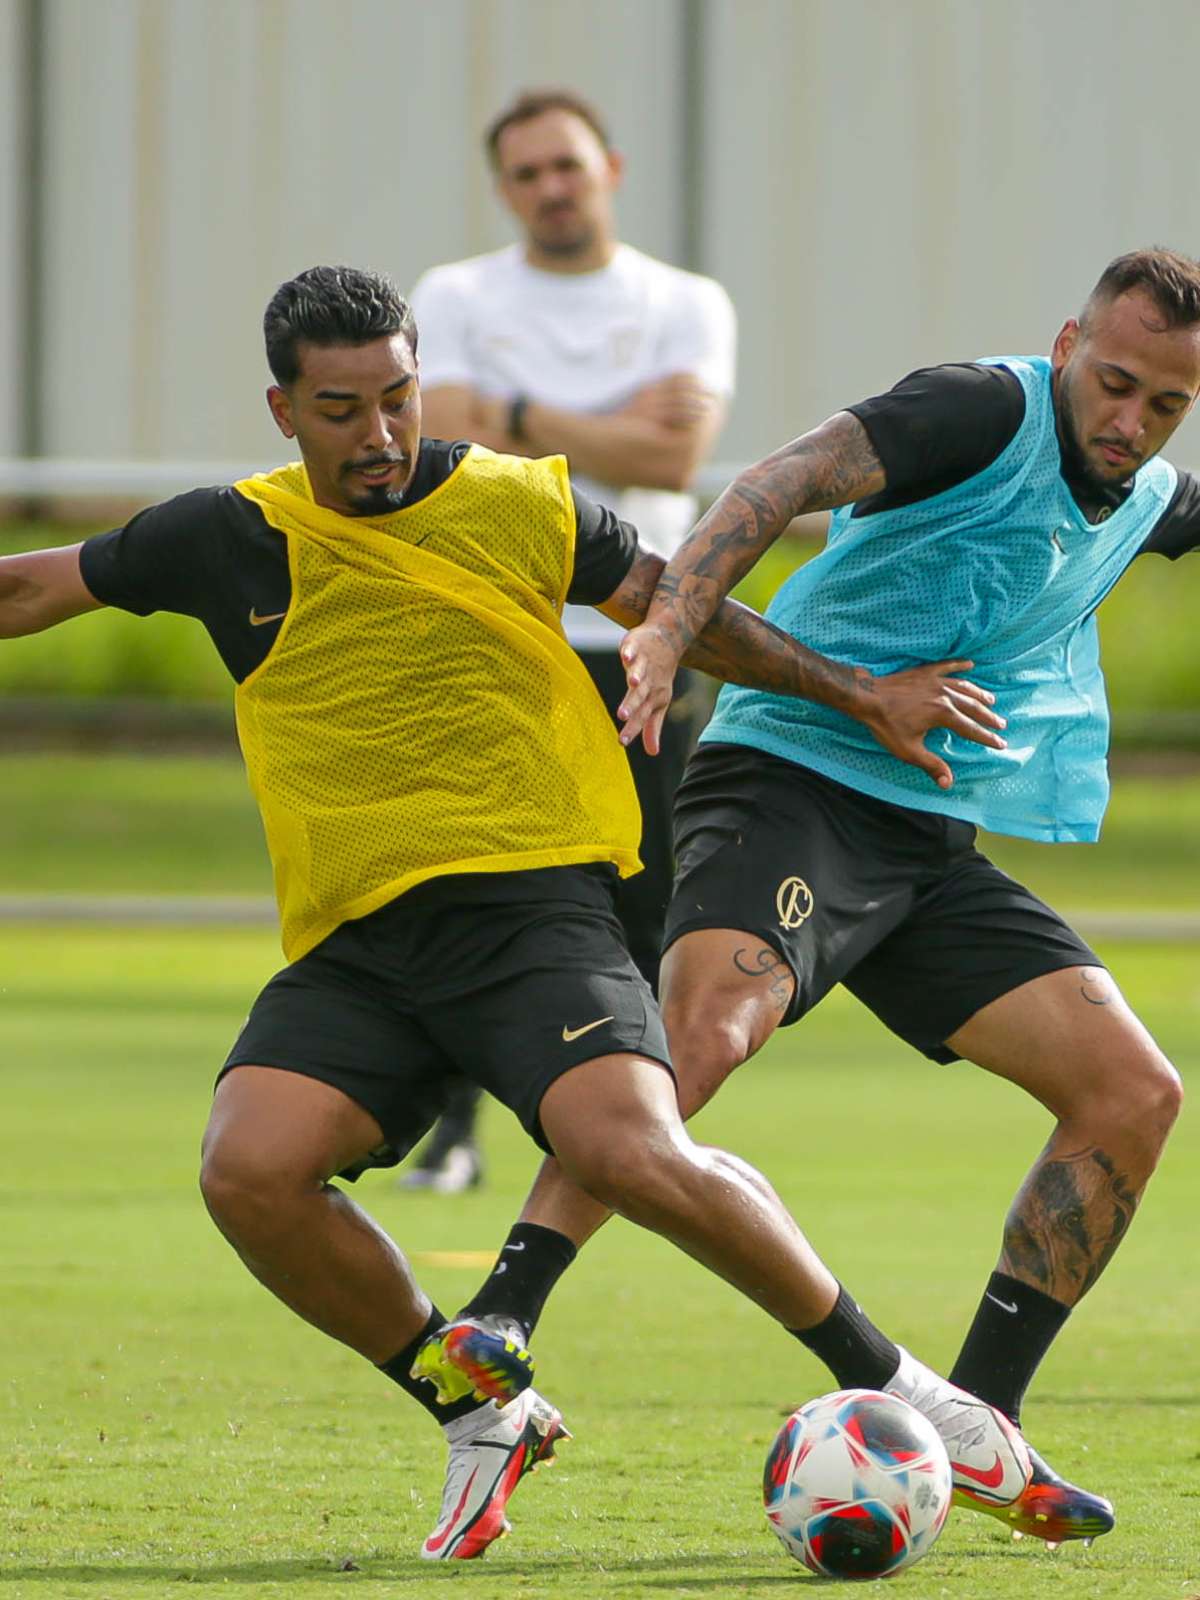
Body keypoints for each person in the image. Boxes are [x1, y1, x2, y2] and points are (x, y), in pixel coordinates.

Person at [0, 264, 1022, 1563]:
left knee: (634, 1153)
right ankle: (476, 1409)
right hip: (363, 941)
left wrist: (858, 693)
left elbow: (679, 602)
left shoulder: (513, 500)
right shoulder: (225, 537)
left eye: (397, 396)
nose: (377, 433)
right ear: (282, 408)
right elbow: (27, 588)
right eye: (340, 408)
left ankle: (903, 1385)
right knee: (248, 1170)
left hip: (536, 905)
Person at [423, 247, 1200, 1549]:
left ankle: (980, 1430)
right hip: (787, 770)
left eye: (1164, 404)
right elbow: (781, 478)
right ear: (1068, 345)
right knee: (699, 1040)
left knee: (1135, 1093)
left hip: (925, 837)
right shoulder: (978, 410)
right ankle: (501, 1315)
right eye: (1113, 383)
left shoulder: (1146, 491)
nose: (1128, 421)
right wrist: (669, 626)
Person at [401, 88, 737, 1190]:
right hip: (496, 634)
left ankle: (625, 1131)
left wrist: (520, 415)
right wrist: (606, 424)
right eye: (529, 172)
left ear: (612, 168)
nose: (552, 187)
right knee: (472, 874)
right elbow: (442, 440)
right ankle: (450, 1131)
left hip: (643, 639)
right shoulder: (453, 294)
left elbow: (673, 460)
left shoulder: (686, 302)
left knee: (643, 889)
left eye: (568, 166)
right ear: (505, 188)